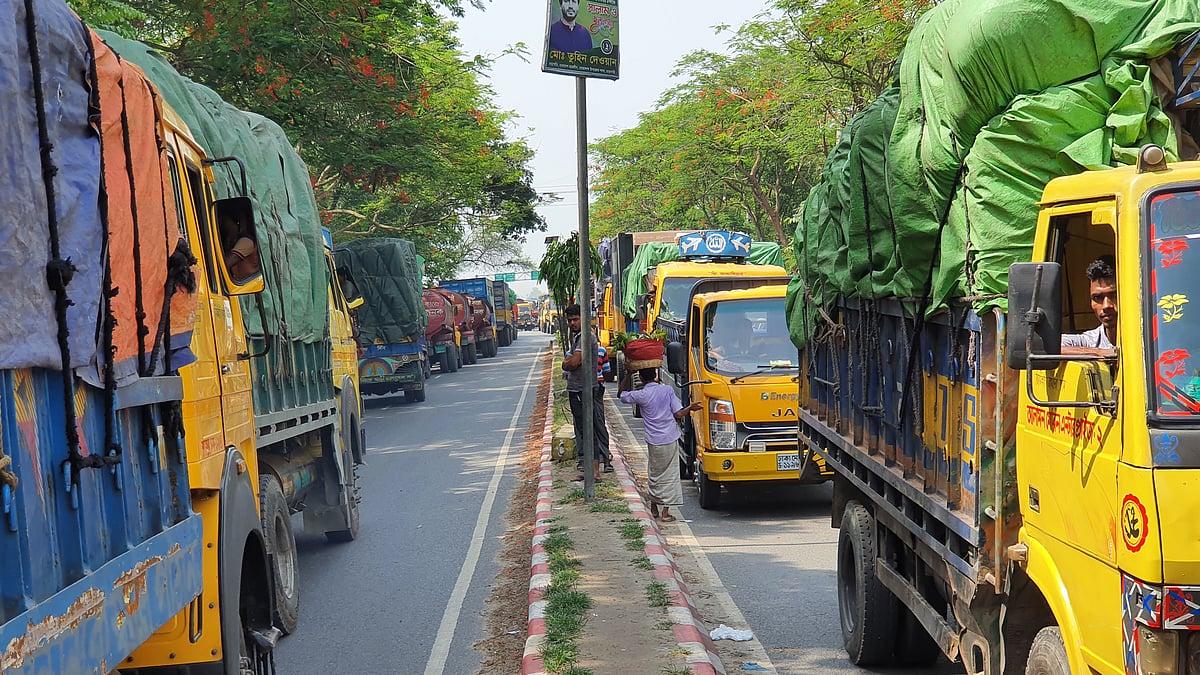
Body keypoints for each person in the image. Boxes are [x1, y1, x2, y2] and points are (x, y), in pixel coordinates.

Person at [617, 368, 701, 522]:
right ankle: (666, 512)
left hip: (653, 440)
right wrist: (691, 408)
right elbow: (678, 414)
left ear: (641, 379)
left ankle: (654, 507)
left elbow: (621, 395)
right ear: (656, 376)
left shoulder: (641, 395)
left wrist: (628, 374)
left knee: (654, 474)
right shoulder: (667, 390)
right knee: (670, 475)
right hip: (669, 437)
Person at [562, 304, 613, 480]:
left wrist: (566, 362)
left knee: (590, 429)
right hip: (577, 388)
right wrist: (568, 361)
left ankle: (596, 471)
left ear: (583, 318)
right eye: (570, 320)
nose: (572, 323)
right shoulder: (578, 337)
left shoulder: (585, 337)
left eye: (575, 319)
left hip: (583, 389)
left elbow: (573, 362)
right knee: (584, 430)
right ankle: (591, 470)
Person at [1062, 255, 1117, 356]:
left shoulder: (1152, 340)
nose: (1106, 306)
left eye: (1114, 296)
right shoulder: (1090, 342)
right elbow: (1037, 347)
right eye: (1097, 298)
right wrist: (1099, 353)